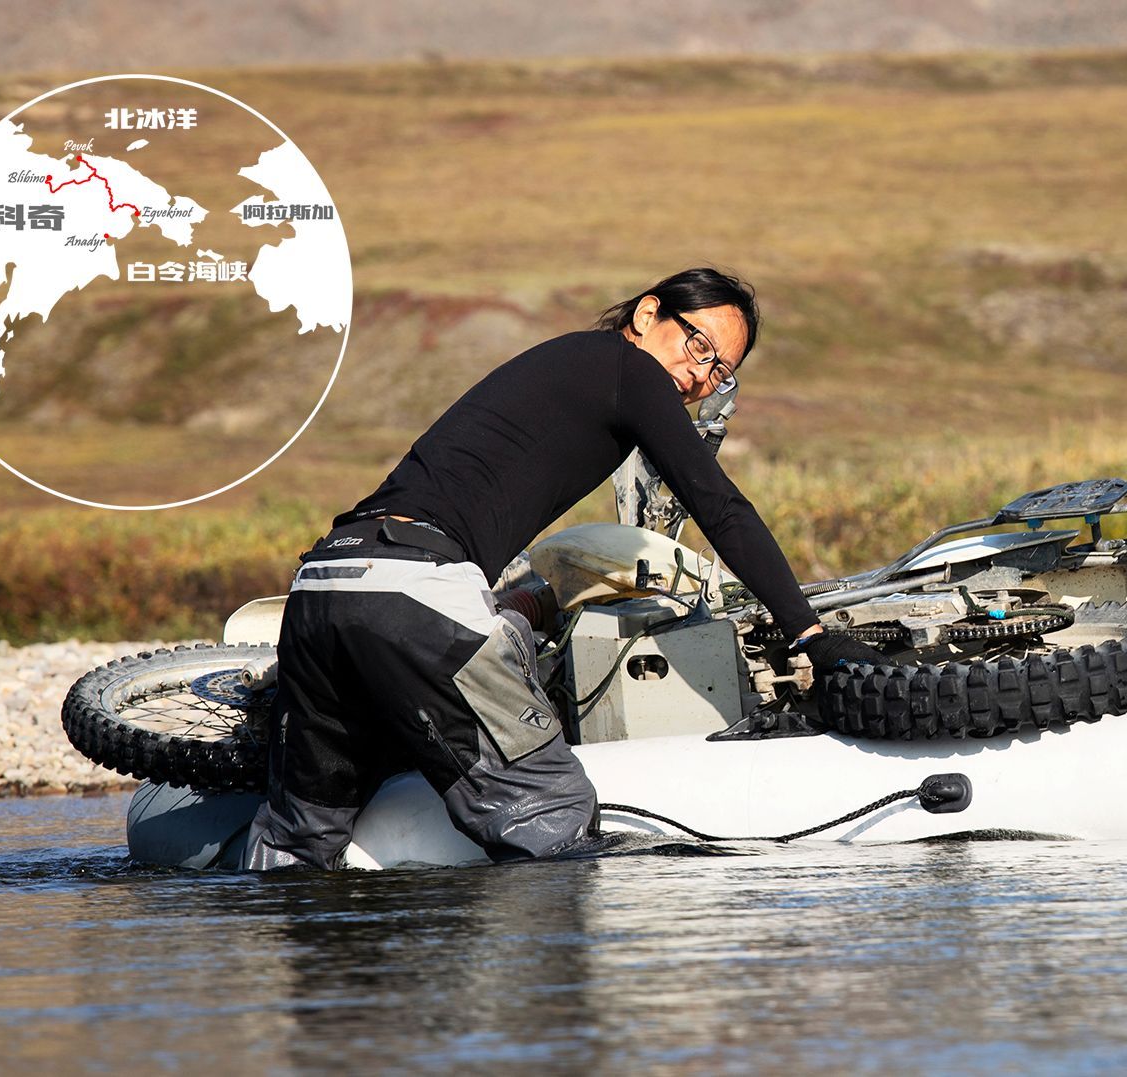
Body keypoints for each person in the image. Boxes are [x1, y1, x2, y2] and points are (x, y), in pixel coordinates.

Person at [243, 267, 885, 869]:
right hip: (416, 590)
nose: (700, 377)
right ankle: (551, 994)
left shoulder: (570, 362)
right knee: (550, 812)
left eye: (721, 372)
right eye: (699, 347)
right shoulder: (629, 369)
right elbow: (719, 506)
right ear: (648, 313)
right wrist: (810, 634)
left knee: (301, 837)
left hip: (325, 582)